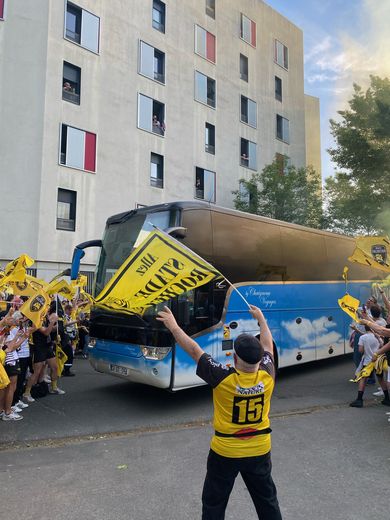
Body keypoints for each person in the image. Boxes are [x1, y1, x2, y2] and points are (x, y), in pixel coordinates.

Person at [157, 304, 282, 520]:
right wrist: (262, 320)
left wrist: (174, 326)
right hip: (260, 449)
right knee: (267, 501)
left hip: (225, 451)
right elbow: (268, 345)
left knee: (214, 503)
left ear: (234, 359)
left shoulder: (222, 377)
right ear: (260, 360)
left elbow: (195, 351)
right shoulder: (267, 374)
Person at [349, 325, 389, 408]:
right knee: (380, 379)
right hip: (378, 361)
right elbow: (382, 346)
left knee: (363, 379)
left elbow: (360, 350)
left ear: (365, 328)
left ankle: (359, 400)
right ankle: (387, 398)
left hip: (368, 362)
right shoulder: (377, 336)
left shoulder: (363, 337)